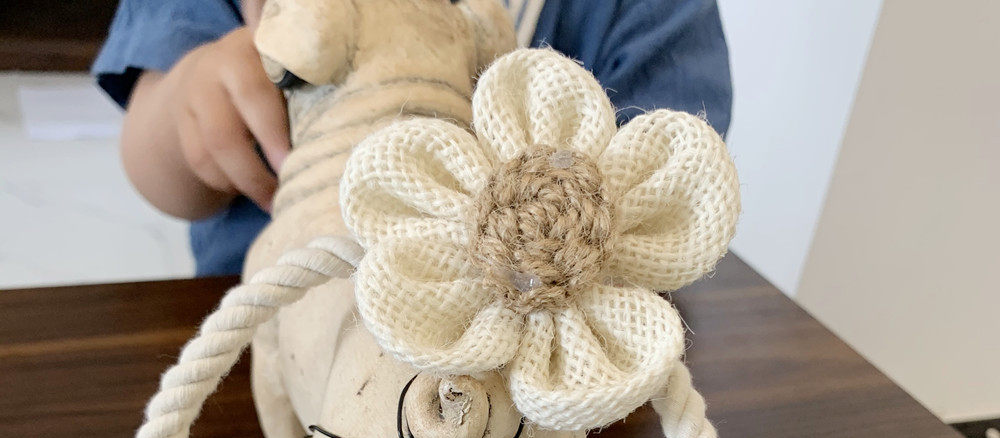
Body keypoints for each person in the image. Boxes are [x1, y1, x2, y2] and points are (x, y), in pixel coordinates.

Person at [93, 0, 732, 277]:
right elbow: (155, 168)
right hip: (267, 327)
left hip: (532, 357)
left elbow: (671, 201)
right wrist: (189, 101)